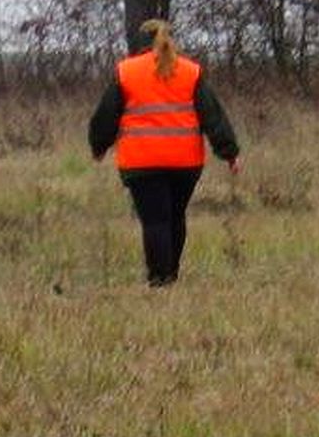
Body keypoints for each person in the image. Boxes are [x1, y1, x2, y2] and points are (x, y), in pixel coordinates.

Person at [88, 18, 242, 285]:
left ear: (140, 42)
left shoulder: (126, 72)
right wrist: (230, 153)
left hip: (142, 161)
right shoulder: (191, 72)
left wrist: (99, 146)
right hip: (185, 161)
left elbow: (106, 115)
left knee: (155, 221)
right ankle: (171, 273)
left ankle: (160, 279)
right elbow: (213, 116)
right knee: (175, 216)